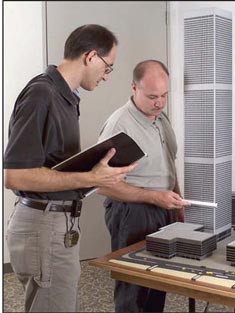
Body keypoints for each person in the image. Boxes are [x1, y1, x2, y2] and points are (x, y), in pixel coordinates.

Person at [4, 24, 137, 312]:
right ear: (90, 56)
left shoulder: (66, 97)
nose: (106, 76)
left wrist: (97, 177)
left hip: (56, 226)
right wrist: (90, 176)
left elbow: (53, 167)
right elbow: (15, 176)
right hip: (43, 227)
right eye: (107, 67)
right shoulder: (42, 94)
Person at [97, 60, 190, 313]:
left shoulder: (160, 117)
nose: (159, 102)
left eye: (164, 95)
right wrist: (153, 197)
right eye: (152, 96)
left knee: (158, 279)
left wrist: (177, 201)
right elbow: (102, 185)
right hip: (132, 212)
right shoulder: (120, 125)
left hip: (164, 206)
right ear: (133, 88)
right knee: (134, 288)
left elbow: (169, 162)